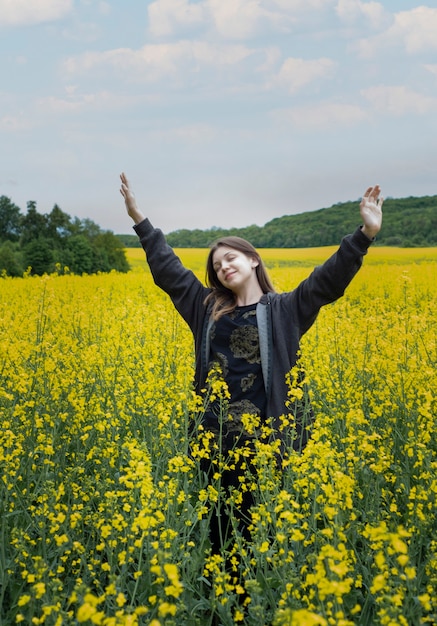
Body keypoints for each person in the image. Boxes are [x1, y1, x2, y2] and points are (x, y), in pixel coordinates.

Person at [120, 172, 383, 551]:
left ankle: (264, 608)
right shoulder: (206, 308)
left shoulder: (286, 309)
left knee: (268, 539)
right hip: (214, 441)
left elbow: (328, 281)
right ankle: (224, 607)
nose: (225, 267)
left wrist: (364, 235)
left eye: (231, 258)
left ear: (253, 259)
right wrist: (139, 220)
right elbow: (171, 273)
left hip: (269, 443)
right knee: (220, 537)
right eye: (218, 265)